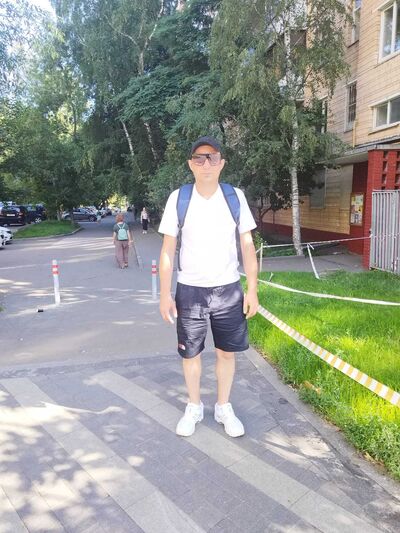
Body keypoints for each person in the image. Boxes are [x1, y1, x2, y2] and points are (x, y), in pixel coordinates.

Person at [158, 135, 258, 438]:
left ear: (221, 163)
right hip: (190, 291)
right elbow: (167, 250)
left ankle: (223, 407)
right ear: (191, 164)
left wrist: (252, 289)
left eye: (212, 157)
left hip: (228, 290)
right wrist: (165, 295)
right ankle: (194, 406)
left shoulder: (234, 197)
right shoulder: (179, 198)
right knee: (191, 354)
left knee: (227, 353)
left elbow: (247, 245)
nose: (206, 164)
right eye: (199, 158)